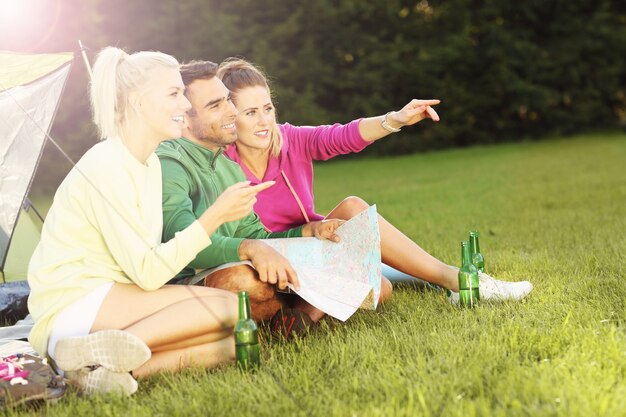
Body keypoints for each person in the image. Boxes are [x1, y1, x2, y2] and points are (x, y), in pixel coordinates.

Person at [27, 47, 268, 396]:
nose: (185, 105)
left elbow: (148, 262)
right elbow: (148, 273)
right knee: (230, 306)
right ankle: (85, 352)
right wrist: (215, 215)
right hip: (74, 305)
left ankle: (93, 374)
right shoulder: (107, 164)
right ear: (139, 103)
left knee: (231, 343)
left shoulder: (149, 164)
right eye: (174, 94)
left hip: (115, 298)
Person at [217, 58, 534, 303]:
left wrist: (394, 119)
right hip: (268, 262)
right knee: (379, 286)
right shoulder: (219, 164)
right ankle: (442, 278)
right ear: (230, 119)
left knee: (356, 213)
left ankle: (460, 280)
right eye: (250, 113)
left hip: (312, 245)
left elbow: (342, 136)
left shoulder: (290, 140)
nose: (263, 121)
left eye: (268, 108)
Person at [156, 60, 387, 330]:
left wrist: (309, 231)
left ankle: (293, 317)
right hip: (191, 282)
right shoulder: (170, 162)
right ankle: (296, 308)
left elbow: (258, 236)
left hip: (243, 268)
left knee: (376, 285)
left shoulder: (228, 168)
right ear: (183, 116)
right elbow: (180, 244)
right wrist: (249, 249)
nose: (231, 111)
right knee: (243, 282)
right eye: (215, 105)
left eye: (228, 101)